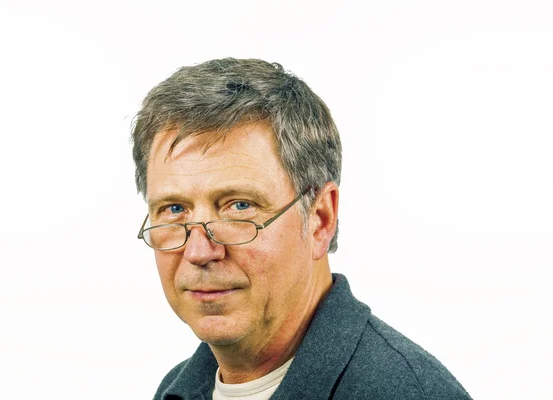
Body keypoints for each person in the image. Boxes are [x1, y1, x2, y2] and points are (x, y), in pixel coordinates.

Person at [131, 58, 472, 400]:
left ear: (320, 219)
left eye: (239, 206)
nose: (199, 251)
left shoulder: (408, 393)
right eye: (174, 209)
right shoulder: (177, 389)